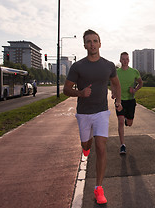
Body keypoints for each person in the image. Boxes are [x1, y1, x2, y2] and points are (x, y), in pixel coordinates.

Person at [63, 29, 122, 205]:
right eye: (88, 41)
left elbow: (116, 84)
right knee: (86, 144)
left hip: (102, 112)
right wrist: (81, 93)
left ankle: (98, 188)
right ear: (84, 45)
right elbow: (66, 89)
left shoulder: (108, 65)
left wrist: (118, 100)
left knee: (101, 146)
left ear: (100, 43)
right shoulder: (78, 66)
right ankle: (85, 147)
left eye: (95, 41)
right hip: (83, 113)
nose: (92, 44)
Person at [111, 52, 143, 154]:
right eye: (123, 59)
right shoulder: (116, 72)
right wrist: (113, 92)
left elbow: (140, 83)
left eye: (126, 59)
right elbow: (112, 83)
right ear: (120, 60)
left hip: (130, 100)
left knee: (129, 123)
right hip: (120, 100)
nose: (125, 61)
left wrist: (134, 90)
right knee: (120, 122)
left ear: (129, 60)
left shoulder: (134, 72)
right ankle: (122, 145)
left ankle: (126, 119)